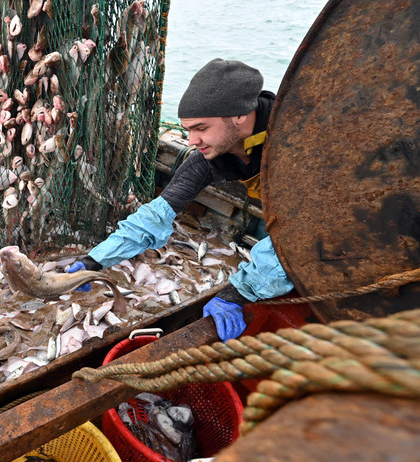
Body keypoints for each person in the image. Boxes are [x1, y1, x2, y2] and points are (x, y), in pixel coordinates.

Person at [67, 58, 294, 340]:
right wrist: (95, 260)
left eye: (201, 128)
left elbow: (301, 230)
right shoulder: (213, 153)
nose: (191, 141)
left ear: (240, 115)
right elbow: (158, 213)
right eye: (187, 130)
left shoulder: (293, 140)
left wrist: (238, 292)